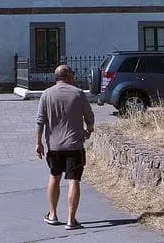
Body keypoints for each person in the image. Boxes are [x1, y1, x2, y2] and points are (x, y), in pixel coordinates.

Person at [35, 64, 95, 231]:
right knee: (74, 180)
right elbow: (89, 118)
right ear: (68, 75)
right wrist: (88, 130)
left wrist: (38, 143)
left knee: (54, 176)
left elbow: (40, 120)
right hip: (74, 145)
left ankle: (53, 215)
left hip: (54, 146)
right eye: (73, 73)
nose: (74, 76)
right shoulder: (78, 94)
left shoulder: (46, 95)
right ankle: (71, 219)